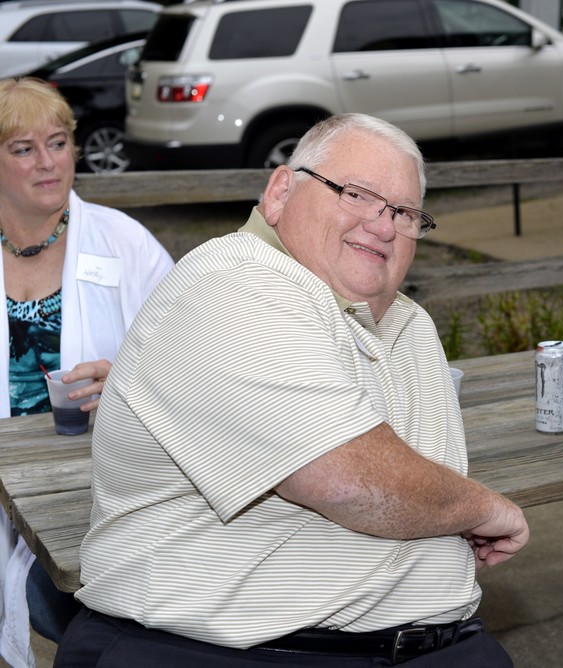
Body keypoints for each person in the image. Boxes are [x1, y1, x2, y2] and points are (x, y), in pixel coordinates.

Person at [54, 113, 530, 667]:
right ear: (281, 192)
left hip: (430, 644)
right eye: (357, 194)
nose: (382, 226)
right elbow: (347, 477)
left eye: (403, 213)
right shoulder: (234, 284)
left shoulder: (409, 324)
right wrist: (481, 509)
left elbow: (406, 492)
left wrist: (444, 522)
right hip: (228, 652)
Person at [0, 77, 174, 665]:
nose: (48, 162)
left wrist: (128, 380)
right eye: (23, 149)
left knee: (70, 613)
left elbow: (193, 361)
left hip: (95, 490)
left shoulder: (125, 243)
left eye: (58, 143)